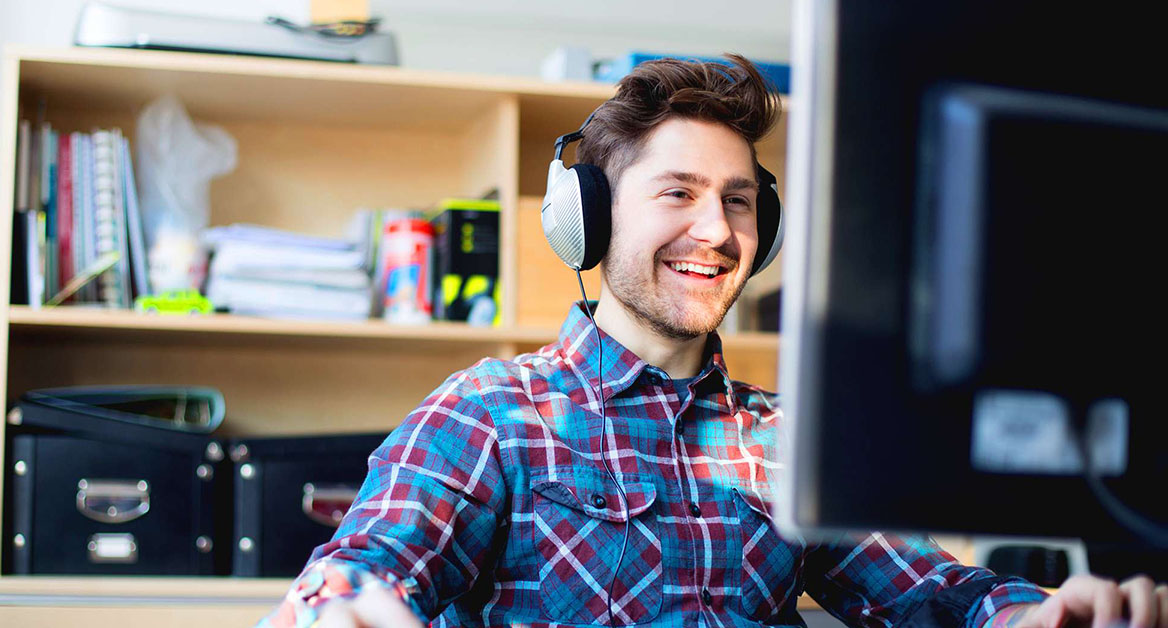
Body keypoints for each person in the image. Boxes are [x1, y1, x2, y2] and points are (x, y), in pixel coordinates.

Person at [259, 55, 1167, 628]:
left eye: (737, 202)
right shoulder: (491, 411)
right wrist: (339, 609)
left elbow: (936, 595)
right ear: (591, 221)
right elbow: (363, 568)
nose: (717, 231)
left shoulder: (787, 442)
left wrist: (1041, 615)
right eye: (677, 194)